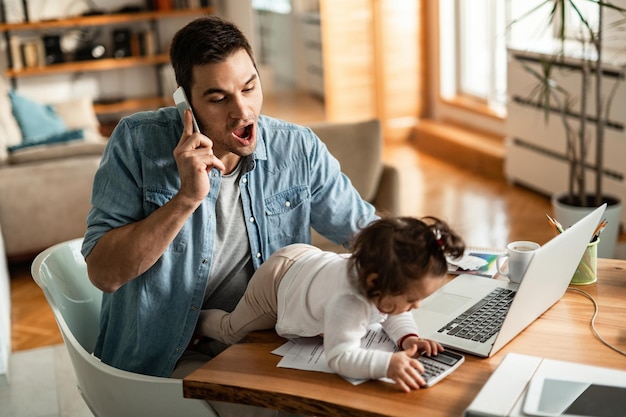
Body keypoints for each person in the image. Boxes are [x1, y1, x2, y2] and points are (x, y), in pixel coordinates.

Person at [80, 14, 377, 417]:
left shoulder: (297, 149)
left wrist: (434, 255)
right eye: (218, 98)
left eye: (249, 87)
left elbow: (367, 234)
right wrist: (186, 197)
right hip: (170, 353)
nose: (243, 111)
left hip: (269, 342)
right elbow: (103, 273)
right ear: (185, 103)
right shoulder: (135, 143)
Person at [196, 216, 465, 392]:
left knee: (397, 309)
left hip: (309, 261)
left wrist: (409, 338)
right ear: (374, 283)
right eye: (410, 299)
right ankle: (196, 322)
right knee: (231, 330)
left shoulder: (380, 279)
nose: (415, 306)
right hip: (276, 283)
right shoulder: (348, 302)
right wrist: (387, 365)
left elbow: (392, 313)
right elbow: (340, 356)